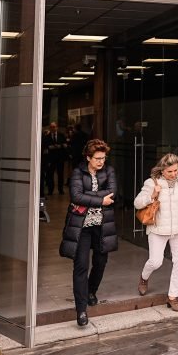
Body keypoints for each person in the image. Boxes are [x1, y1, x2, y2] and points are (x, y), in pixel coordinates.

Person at [60, 139, 118, 326]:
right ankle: (81, 310)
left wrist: (87, 197)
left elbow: (112, 192)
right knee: (81, 266)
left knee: (101, 262)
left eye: (103, 158)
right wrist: (101, 200)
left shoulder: (109, 171)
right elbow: (76, 196)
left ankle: (91, 291)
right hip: (82, 226)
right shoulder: (78, 172)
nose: (101, 162)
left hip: (102, 225)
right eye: (97, 158)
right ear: (88, 157)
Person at [133, 153, 178, 312]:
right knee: (156, 262)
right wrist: (152, 195)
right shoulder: (152, 183)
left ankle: (172, 297)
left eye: (176, 170)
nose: (174, 174)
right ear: (162, 170)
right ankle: (144, 277)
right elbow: (137, 203)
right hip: (158, 229)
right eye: (170, 171)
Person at [41, 122, 67, 196]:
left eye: (54, 127)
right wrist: (50, 147)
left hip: (60, 158)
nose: (53, 128)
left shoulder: (61, 135)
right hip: (51, 158)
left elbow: (65, 145)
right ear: (50, 128)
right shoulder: (47, 137)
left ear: (57, 127)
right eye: (51, 127)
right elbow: (45, 146)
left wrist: (60, 146)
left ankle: (60, 189)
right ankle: (50, 190)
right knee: (50, 175)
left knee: (60, 174)